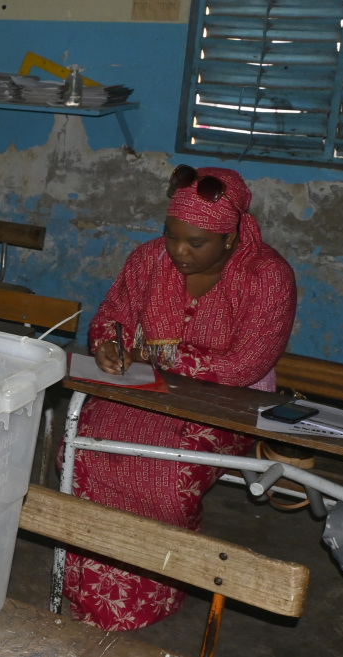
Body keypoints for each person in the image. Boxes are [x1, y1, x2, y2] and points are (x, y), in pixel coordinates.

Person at [61, 165, 296, 631]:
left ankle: (158, 589)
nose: (179, 251)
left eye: (196, 242)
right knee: (85, 451)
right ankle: (88, 589)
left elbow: (242, 367)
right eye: (172, 236)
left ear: (230, 238)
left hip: (227, 407)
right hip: (146, 392)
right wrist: (108, 343)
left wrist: (155, 353)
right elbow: (112, 316)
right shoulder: (148, 260)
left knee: (164, 475)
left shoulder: (267, 277)